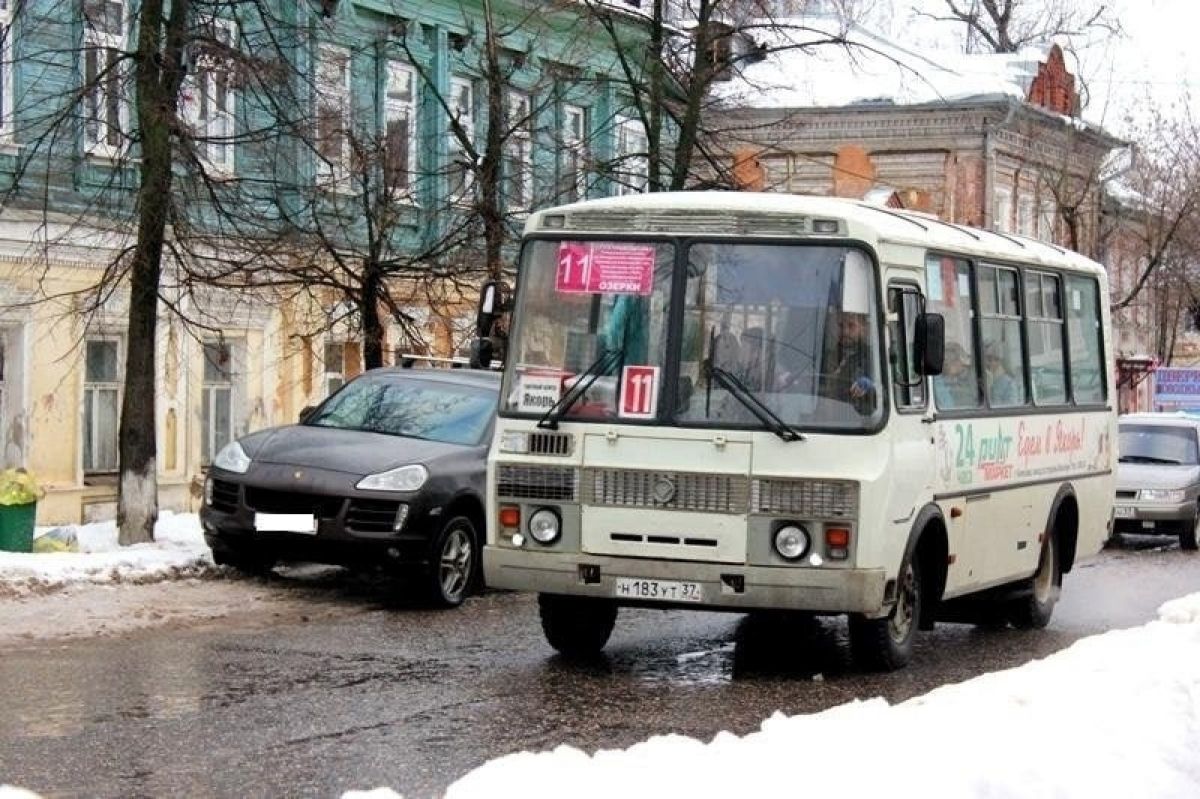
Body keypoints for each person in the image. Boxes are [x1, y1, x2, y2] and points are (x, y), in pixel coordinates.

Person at [820, 312, 876, 414]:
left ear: (863, 329)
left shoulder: (872, 358)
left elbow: (882, 397)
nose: (845, 331)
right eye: (841, 325)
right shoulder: (827, 356)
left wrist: (871, 389)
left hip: (853, 419)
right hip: (822, 417)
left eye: (851, 326)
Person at [934, 342, 980, 409]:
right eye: (946, 361)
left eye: (953, 360)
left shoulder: (972, 376)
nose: (946, 365)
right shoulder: (938, 380)